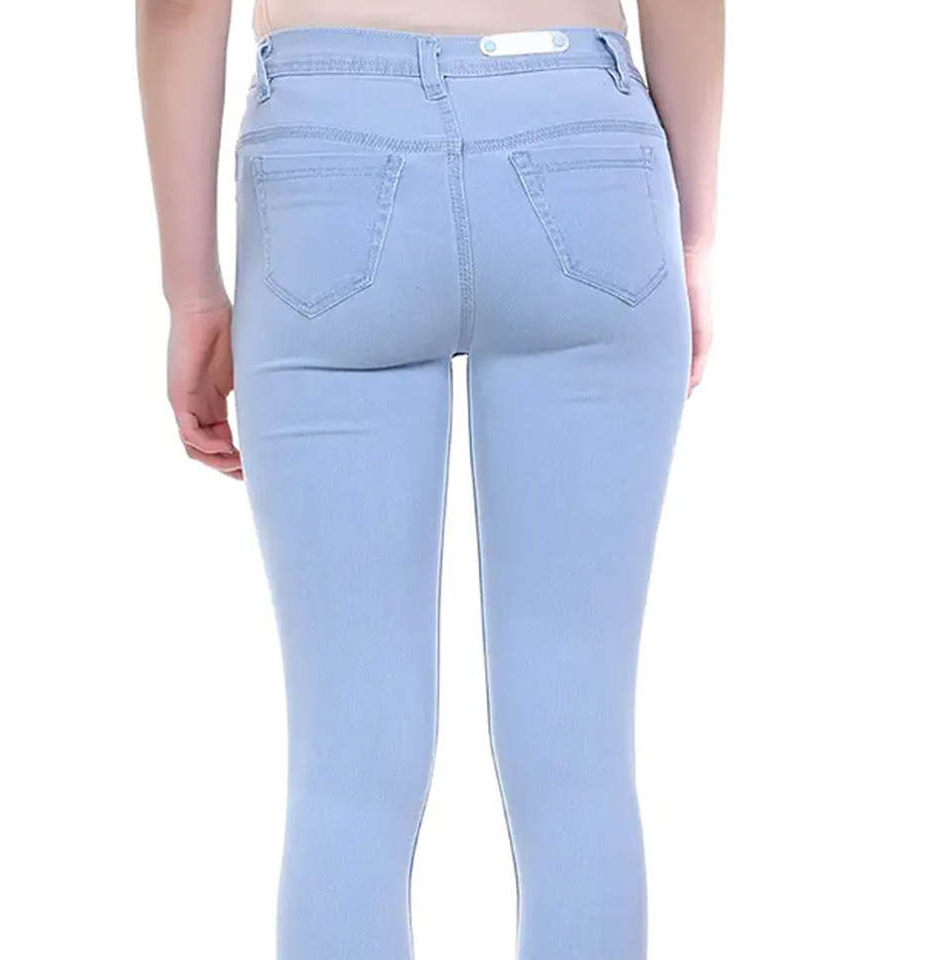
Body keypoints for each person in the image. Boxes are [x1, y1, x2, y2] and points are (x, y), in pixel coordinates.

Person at [137, 1, 723, 957]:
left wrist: (191, 293)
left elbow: (179, 7)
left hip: (327, 156)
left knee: (347, 768)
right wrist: (692, 239)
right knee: (578, 760)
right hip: (583, 146)